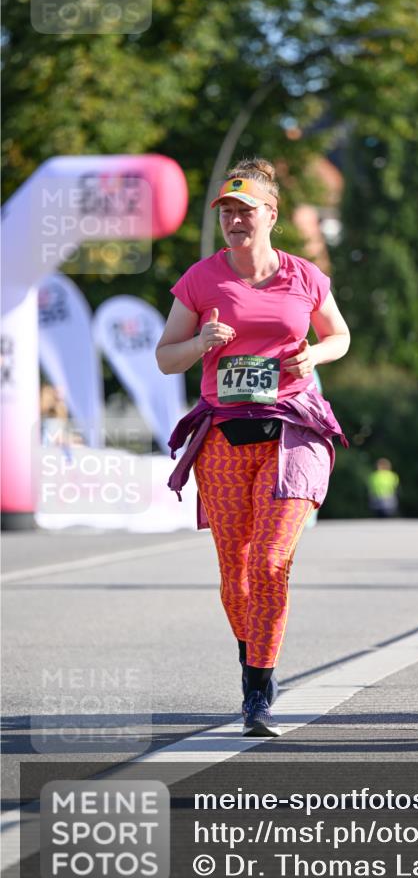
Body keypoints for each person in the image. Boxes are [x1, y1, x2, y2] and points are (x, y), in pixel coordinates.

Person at [156, 158, 350, 736]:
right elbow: (167, 356)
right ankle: (255, 655)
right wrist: (199, 342)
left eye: (246, 211)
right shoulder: (201, 279)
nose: (236, 220)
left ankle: (257, 691)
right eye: (227, 212)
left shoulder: (305, 276)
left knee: (269, 562)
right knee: (235, 574)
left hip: (292, 430)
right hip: (223, 436)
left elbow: (338, 335)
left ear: (271, 214)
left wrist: (312, 355)